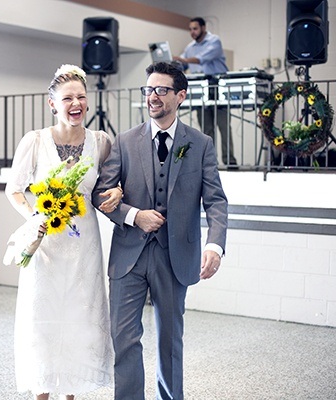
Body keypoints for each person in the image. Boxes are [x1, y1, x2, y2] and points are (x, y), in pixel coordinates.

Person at [92, 61, 228, 400]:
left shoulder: (200, 144)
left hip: (175, 257)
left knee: (170, 341)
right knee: (124, 339)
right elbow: (101, 195)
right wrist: (134, 215)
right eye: (148, 89)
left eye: (161, 90)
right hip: (128, 257)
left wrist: (215, 246)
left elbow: (216, 201)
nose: (152, 96)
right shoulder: (123, 141)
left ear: (180, 96)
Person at [5, 64, 122, 400]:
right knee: (42, 319)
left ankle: (70, 395)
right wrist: (34, 216)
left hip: (85, 246)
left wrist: (119, 193)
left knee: (78, 322)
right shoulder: (35, 140)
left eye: (81, 97)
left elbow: (107, 188)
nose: (76, 104)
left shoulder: (101, 142)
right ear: (52, 103)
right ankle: (41, 394)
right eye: (67, 98)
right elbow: (14, 189)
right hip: (46, 247)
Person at [173, 17, 238, 167]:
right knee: (206, 128)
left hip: (217, 85)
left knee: (223, 126)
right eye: (190, 29)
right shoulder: (190, 46)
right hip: (201, 88)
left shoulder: (214, 41)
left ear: (203, 27)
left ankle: (230, 162)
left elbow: (200, 59)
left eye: (195, 28)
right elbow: (182, 65)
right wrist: (172, 63)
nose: (192, 32)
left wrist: (183, 60)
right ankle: (211, 164)